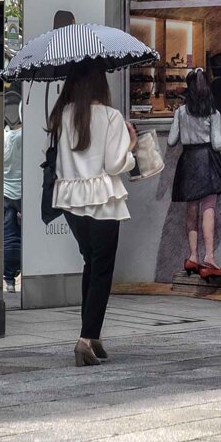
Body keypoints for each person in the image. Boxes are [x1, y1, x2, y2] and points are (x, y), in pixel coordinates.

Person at [49, 62, 137, 367]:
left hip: (72, 199)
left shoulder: (63, 114)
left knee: (91, 263)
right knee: (102, 269)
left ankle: (93, 335)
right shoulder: (111, 117)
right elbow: (114, 164)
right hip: (103, 199)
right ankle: (86, 339)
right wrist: (132, 147)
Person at [169, 68, 221, 278]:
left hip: (188, 161)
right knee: (209, 210)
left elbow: (171, 141)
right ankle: (209, 257)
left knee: (191, 211)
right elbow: (217, 145)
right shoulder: (213, 113)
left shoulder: (180, 112)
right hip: (207, 161)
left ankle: (192, 257)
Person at [2, 90, 22, 293]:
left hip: (6, 192)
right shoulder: (23, 136)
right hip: (23, 192)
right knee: (26, 234)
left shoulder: (4, 137)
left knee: (9, 234)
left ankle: (9, 278)